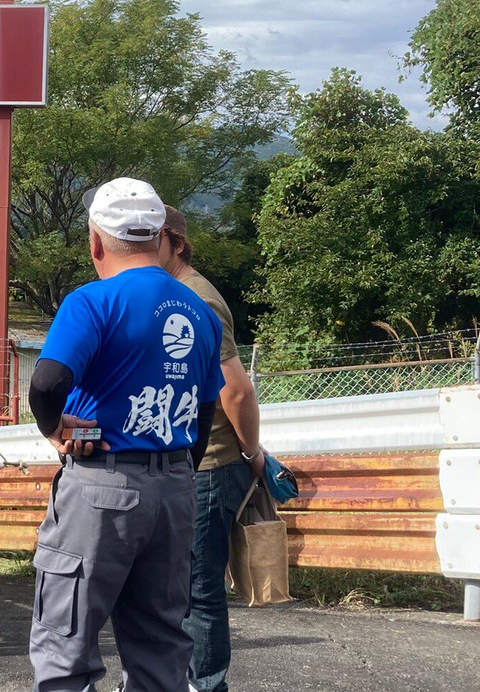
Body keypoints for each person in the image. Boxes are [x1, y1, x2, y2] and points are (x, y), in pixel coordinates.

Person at [27, 178, 224, 692]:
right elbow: (204, 417)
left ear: (95, 241)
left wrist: (56, 429)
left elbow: (47, 381)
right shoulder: (200, 313)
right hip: (176, 489)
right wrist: (175, 471)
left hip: (102, 488)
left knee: (65, 645)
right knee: (162, 648)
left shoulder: (91, 302)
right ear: (161, 236)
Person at [159, 205, 263, 692]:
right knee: (174, 587)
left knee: (200, 590)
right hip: (182, 464)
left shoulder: (198, 297)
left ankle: (207, 684)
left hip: (210, 462)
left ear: (177, 243)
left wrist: (251, 454)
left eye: (151, 238)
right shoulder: (167, 294)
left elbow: (236, 390)